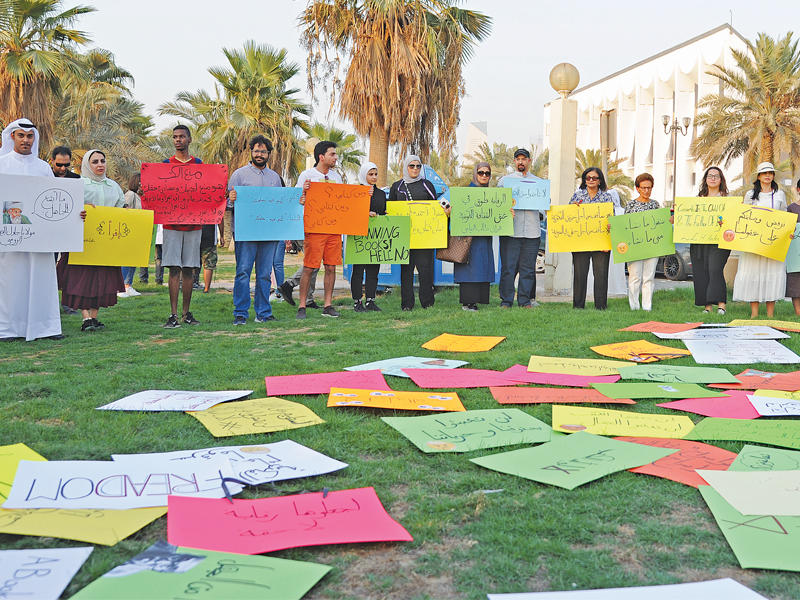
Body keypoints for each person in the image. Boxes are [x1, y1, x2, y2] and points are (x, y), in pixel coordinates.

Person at [0, 118, 64, 341]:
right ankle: (8, 329)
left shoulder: (43, 168)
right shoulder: (2, 164)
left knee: (42, 279)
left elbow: (54, 201)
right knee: (11, 281)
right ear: (12, 137)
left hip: (40, 238)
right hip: (10, 237)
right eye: (21, 135)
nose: (26, 140)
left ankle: (46, 327)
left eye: (30, 136)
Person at [56, 149, 126, 331]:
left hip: (106, 242)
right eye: (95, 161)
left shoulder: (114, 186)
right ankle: (85, 318)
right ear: (87, 164)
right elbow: (68, 207)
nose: (100, 164)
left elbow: (121, 209)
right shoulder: (79, 184)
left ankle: (94, 318)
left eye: (102, 161)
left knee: (102, 279)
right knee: (82, 279)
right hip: (83, 241)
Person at [227, 135, 282, 324]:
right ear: (251, 152)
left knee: (265, 274)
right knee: (243, 272)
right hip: (245, 232)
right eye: (256, 151)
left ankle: (263, 312)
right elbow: (227, 204)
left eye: (263, 151)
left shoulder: (275, 177)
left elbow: (282, 204)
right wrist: (231, 199)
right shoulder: (239, 175)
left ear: (269, 154)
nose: (259, 154)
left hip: (269, 232)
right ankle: (240, 313)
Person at [732, 162, 787, 318]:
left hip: (773, 244)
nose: (767, 175)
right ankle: (754, 314)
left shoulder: (780, 195)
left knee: (772, 274)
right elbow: (743, 215)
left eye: (770, 172)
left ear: (773, 176)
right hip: (753, 243)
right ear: (759, 176)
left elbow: (784, 217)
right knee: (753, 274)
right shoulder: (750, 195)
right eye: (764, 173)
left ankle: (770, 314)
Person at [295, 140, 343, 319]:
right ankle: (302, 306)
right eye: (332, 154)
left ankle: (328, 305)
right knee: (309, 267)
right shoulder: (307, 175)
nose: (335, 157)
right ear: (321, 157)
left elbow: (343, 202)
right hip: (314, 230)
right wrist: (304, 192)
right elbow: (297, 200)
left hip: (333, 229)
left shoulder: (337, 177)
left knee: (331, 267)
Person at [161, 125, 202, 328]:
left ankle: (186, 313)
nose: (178, 140)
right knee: (173, 269)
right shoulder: (165, 164)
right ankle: (173, 314)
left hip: (194, 224)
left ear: (189, 139)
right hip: (171, 225)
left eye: (182, 136)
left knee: (189, 269)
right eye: (175, 137)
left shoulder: (199, 164)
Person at [389, 154, 438, 311]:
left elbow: (435, 208)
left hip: (424, 237)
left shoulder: (427, 185)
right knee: (406, 271)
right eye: (412, 166)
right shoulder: (397, 186)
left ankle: (427, 302)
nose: (415, 169)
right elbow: (390, 210)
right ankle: (407, 304)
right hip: (404, 237)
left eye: (418, 166)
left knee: (425, 270)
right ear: (406, 167)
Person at [497, 148, 542, 308]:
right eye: (518, 159)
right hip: (511, 231)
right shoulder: (504, 182)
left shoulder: (539, 182)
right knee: (508, 268)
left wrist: (544, 207)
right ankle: (506, 300)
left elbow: (543, 208)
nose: (521, 162)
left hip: (532, 232)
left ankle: (524, 300)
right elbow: (498, 204)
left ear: (529, 161)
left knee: (528, 269)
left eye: (524, 159)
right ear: (514, 161)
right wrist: (505, 210)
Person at [570, 167, 614, 310]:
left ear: (600, 180)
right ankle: (578, 306)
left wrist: (610, 226)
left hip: (601, 242)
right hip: (580, 242)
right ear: (584, 180)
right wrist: (573, 209)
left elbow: (611, 220)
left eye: (594, 178)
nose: (590, 180)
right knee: (579, 275)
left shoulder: (607, 197)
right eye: (588, 177)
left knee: (601, 275)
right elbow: (568, 219)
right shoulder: (577, 197)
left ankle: (601, 307)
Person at [454, 162, 495, 311]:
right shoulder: (466, 193)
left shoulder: (492, 196)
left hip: (483, 238)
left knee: (482, 267)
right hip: (468, 239)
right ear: (475, 174)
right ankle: (468, 302)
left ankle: (477, 300)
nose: (484, 176)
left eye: (487, 173)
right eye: (481, 172)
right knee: (469, 269)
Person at [691, 166, 730, 315]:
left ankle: (721, 304)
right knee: (702, 271)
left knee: (715, 269)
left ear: (721, 180)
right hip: (699, 241)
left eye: (716, 176)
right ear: (705, 180)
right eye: (710, 176)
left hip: (720, 241)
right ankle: (707, 307)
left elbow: (732, 220)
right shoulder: (698, 199)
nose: (713, 178)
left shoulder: (727, 199)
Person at [620, 173, 660, 311]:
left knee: (649, 277)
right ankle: (634, 307)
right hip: (635, 247)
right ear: (637, 188)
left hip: (652, 246)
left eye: (649, 188)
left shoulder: (655, 205)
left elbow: (660, 225)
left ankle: (647, 307)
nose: (646, 191)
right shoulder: (630, 205)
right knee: (634, 277)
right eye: (643, 188)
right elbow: (625, 226)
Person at [351, 161, 386, 312]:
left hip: (374, 238)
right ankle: (357, 301)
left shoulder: (381, 194)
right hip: (358, 237)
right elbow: (350, 211)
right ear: (363, 175)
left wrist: (381, 216)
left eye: (376, 174)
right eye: (370, 174)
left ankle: (370, 300)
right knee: (358, 270)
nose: (374, 177)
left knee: (373, 269)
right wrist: (365, 212)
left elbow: (383, 212)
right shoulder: (356, 192)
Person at [119, 173, 145, 295]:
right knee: (126, 260)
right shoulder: (130, 195)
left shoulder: (141, 197)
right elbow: (124, 210)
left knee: (134, 259)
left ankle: (128, 285)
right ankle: (121, 286)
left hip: (139, 231)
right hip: (129, 231)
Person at [786, 178, 800, 315]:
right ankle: (798, 312)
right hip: (795, 252)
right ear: (798, 190)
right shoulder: (791, 209)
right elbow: (786, 229)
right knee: (795, 281)